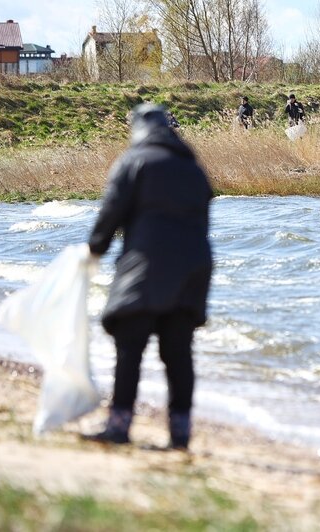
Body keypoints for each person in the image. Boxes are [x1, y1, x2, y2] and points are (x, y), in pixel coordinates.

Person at [83, 103, 213, 450]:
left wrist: (94, 248)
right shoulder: (193, 168)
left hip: (146, 264)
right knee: (178, 352)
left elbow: (112, 209)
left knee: (130, 345)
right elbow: (203, 221)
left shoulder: (134, 160)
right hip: (194, 267)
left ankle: (119, 424)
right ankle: (181, 433)